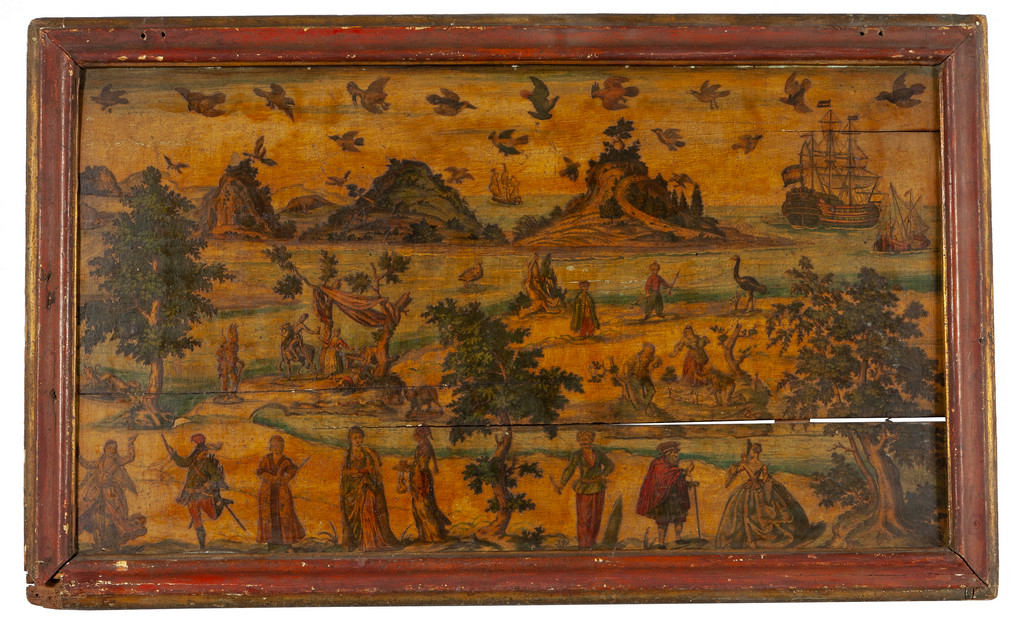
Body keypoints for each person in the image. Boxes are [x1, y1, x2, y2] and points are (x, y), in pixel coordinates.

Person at [714, 440, 824, 549]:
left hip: (748, 488)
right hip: (760, 488)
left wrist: (742, 461)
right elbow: (766, 479)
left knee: (744, 511)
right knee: (764, 511)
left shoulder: (745, 464)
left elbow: (734, 471)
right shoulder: (762, 465)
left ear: (753, 452)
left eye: (751, 451)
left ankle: (746, 538)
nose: (749, 453)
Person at [78, 436, 147, 551]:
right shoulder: (99, 462)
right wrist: (78, 455)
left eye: (114, 448)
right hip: (97, 493)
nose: (111, 450)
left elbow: (130, 457)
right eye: (109, 448)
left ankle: (111, 544)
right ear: (105, 449)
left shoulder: (117, 461)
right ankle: (99, 543)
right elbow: (86, 464)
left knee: (113, 518)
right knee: (96, 518)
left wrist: (131, 444)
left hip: (111, 494)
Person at [164, 433, 230, 549]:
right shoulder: (192, 461)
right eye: (199, 452)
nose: (201, 454)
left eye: (201, 452)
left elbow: (216, 475)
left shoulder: (207, 463)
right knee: (197, 521)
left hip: (204, 495)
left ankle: (222, 503)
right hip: (191, 495)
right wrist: (173, 453)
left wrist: (207, 484)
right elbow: (183, 462)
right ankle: (202, 547)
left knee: (213, 516)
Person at [339, 426, 399, 551]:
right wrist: (355, 472)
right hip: (353, 490)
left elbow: (374, 468)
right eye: (355, 438)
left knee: (368, 511)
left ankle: (370, 541)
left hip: (366, 485)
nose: (358, 440)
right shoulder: (348, 454)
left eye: (360, 437)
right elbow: (344, 472)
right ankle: (359, 542)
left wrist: (367, 469)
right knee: (356, 516)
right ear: (350, 439)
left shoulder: (367, 452)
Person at [555, 430, 615, 549]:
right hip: (583, 488)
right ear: (579, 441)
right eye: (582, 439)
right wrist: (562, 484)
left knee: (596, 517)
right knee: (583, 517)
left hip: (598, 487)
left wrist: (603, 475)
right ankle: (583, 544)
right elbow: (569, 469)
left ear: (591, 440)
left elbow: (610, 465)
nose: (584, 441)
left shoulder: (598, 453)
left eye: (586, 439)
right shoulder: (577, 455)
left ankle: (591, 543)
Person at [636, 441, 694, 548]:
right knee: (662, 520)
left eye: (677, 453)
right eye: (675, 453)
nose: (676, 455)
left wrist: (688, 483)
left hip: (676, 497)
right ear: (668, 453)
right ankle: (661, 541)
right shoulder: (659, 464)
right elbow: (665, 477)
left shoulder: (672, 465)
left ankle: (678, 538)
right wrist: (685, 471)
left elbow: (675, 478)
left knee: (679, 518)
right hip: (663, 498)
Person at [256, 435, 306, 549]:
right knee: (269, 518)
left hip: (282, 492)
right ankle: (271, 544)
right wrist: (272, 478)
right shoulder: (265, 459)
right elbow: (260, 472)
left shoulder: (286, 460)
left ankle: (286, 543)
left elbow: (291, 471)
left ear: (282, 446)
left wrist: (286, 477)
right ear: (270, 446)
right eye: (274, 445)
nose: (276, 447)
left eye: (278, 445)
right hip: (267, 492)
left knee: (284, 516)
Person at [407, 426, 451, 542]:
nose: (414, 436)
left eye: (416, 434)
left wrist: (409, 468)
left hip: (422, 478)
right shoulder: (422, 446)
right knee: (422, 506)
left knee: (424, 506)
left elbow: (421, 466)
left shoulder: (425, 447)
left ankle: (433, 535)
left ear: (420, 435)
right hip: (419, 476)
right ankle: (425, 534)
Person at [521, 252, 563, 316]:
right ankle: (524, 311)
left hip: (537, 298)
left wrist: (547, 280)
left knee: (543, 300)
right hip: (535, 299)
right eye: (535, 270)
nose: (537, 272)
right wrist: (534, 260)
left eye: (537, 270)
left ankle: (550, 306)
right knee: (541, 303)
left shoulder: (534, 281)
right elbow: (530, 271)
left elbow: (541, 282)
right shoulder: (528, 281)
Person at [623, 343, 662, 412]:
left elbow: (657, 361)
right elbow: (627, 365)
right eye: (649, 351)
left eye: (652, 352)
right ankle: (644, 409)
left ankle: (644, 406)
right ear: (644, 350)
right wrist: (625, 375)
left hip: (645, 377)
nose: (651, 353)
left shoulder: (650, 358)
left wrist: (657, 363)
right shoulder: (636, 358)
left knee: (652, 391)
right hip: (635, 378)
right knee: (641, 393)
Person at [216, 323, 245, 397]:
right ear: (231, 337)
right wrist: (225, 357)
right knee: (225, 380)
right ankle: (225, 396)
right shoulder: (226, 345)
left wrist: (239, 361)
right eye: (236, 337)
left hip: (233, 365)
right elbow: (218, 352)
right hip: (225, 365)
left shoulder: (236, 346)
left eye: (237, 336)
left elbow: (235, 356)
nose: (237, 338)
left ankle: (233, 394)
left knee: (235, 379)